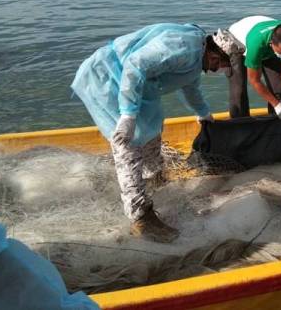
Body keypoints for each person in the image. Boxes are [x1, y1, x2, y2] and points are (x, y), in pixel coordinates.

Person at [71, 23, 230, 243]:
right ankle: (141, 218)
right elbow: (135, 66)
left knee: (152, 130)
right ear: (214, 52)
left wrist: (203, 113)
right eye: (219, 64)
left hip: (141, 88)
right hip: (109, 79)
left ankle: (154, 181)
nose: (217, 69)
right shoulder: (184, 47)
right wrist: (127, 115)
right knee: (128, 145)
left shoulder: (198, 57)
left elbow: (190, 87)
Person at [214, 15, 281, 119]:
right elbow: (255, 80)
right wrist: (277, 105)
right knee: (239, 88)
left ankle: (277, 120)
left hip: (264, 42)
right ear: (271, 44)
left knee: (278, 87)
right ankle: (241, 124)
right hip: (237, 42)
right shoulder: (256, 44)